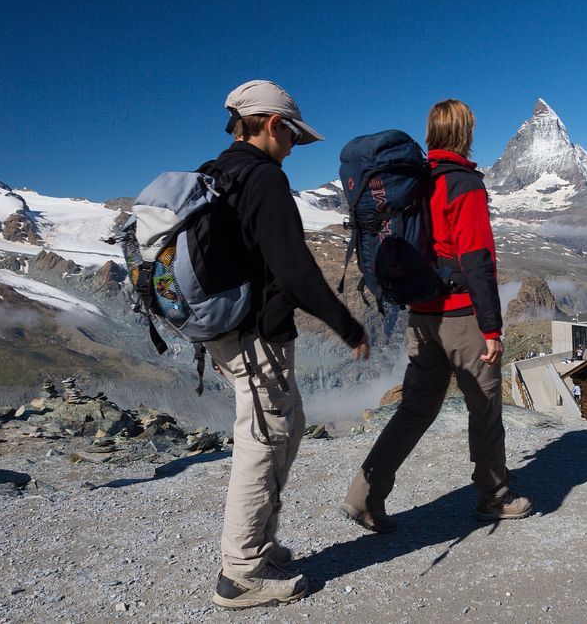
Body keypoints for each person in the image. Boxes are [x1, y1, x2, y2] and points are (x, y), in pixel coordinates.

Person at [204, 80, 370, 609]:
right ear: (274, 124)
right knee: (262, 439)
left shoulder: (218, 172)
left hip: (229, 331)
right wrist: (347, 325)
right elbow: (294, 269)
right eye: (295, 135)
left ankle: (262, 546)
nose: (296, 147)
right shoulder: (263, 178)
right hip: (254, 335)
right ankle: (242, 573)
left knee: (286, 424)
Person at [341, 99, 532, 532]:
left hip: (421, 316)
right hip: (462, 316)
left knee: (414, 410)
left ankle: (364, 496)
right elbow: (477, 258)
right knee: (483, 407)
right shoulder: (462, 183)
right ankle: (495, 496)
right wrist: (491, 328)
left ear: (430, 134)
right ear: (465, 133)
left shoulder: (412, 182)